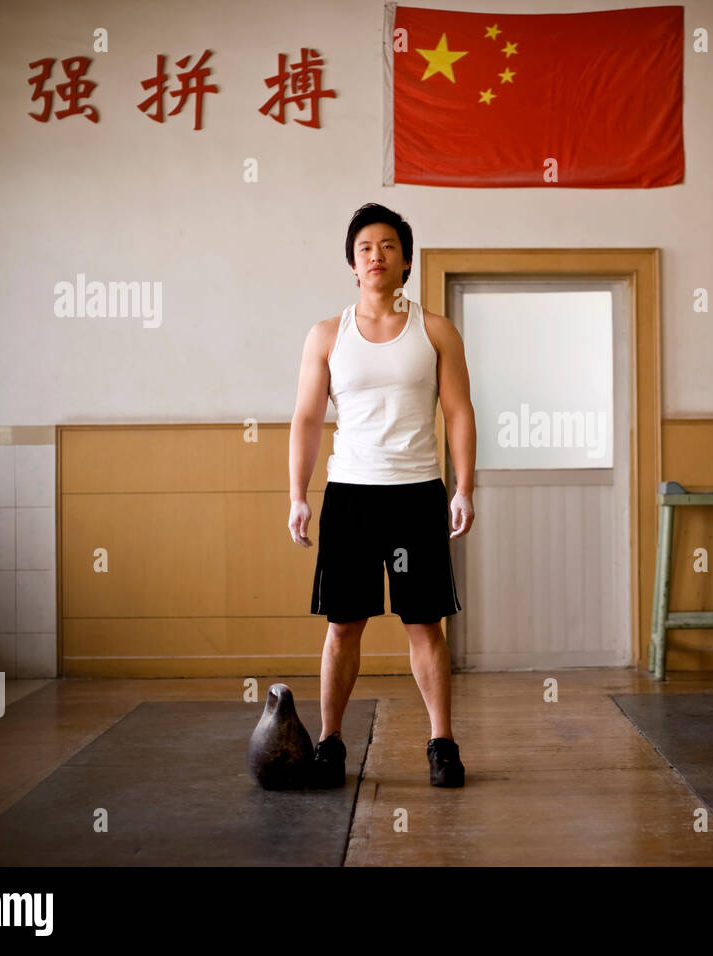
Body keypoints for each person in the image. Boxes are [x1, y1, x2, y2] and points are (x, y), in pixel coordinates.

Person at [287, 202, 476, 788]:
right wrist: (298, 494)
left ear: (406, 261)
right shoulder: (327, 335)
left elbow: (459, 412)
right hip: (351, 496)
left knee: (426, 625)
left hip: (418, 494)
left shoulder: (436, 330)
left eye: (388, 246)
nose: (376, 255)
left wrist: (463, 486)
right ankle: (331, 742)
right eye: (366, 247)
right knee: (344, 625)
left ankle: (441, 743)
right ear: (352, 262)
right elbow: (307, 420)